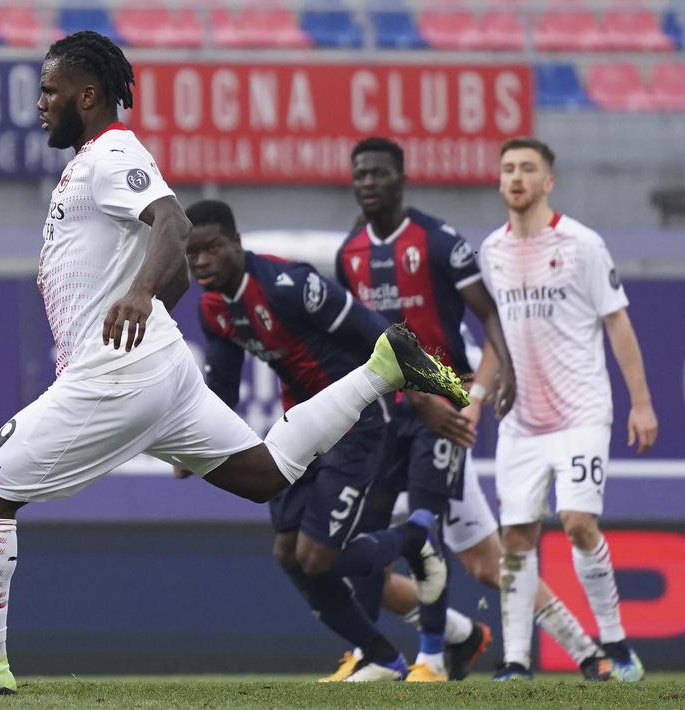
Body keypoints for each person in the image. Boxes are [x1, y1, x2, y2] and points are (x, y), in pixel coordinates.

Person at [0, 31, 469, 696]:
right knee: (263, 474)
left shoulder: (111, 152)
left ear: (88, 95)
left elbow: (171, 221)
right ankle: (385, 366)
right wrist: (150, 293)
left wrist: (139, 294)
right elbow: (164, 262)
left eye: (50, 91)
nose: (40, 103)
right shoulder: (91, 161)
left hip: (115, 375)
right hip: (157, 368)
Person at [329, 136, 611, 683]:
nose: (367, 183)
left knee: (421, 528)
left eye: (378, 174)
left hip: (445, 413)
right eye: (359, 174)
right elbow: (357, 343)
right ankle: (462, 638)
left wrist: (474, 395)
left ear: (401, 179)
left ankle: (432, 656)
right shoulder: (349, 255)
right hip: (392, 421)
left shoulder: (439, 242)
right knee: (478, 562)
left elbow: (494, 320)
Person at [183, 198, 449, 682]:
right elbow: (221, 385)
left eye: (210, 249)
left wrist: (424, 395)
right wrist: (192, 444)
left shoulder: (290, 286)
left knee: (317, 557)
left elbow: (375, 333)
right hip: (298, 428)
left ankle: (413, 536)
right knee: (289, 554)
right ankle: (381, 656)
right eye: (190, 253)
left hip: (356, 423)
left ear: (236, 245)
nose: (199, 262)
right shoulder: (213, 309)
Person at [479, 136, 658, 682]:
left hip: (581, 413)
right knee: (515, 540)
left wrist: (642, 404)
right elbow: (497, 337)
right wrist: (477, 395)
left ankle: (617, 643)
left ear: (548, 181)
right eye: (508, 168)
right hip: (522, 422)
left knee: (578, 523)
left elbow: (617, 321)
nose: (516, 177)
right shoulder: (492, 251)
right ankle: (514, 661)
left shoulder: (582, 244)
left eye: (528, 169)